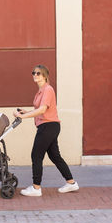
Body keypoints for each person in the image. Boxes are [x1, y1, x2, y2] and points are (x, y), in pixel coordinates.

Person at [13, 65, 79, 196]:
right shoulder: (40, 91)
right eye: (33, 73)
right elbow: (40, 110)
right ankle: (71, 183)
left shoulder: (48, 90)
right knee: (55, 156)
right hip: (49, 126)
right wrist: (27, 112)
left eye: (38, 73)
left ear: (45, 76)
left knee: (36, 155)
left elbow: (43, 110)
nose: (35, 75)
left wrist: (23, 116)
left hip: (48, 126)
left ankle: (36, 188)